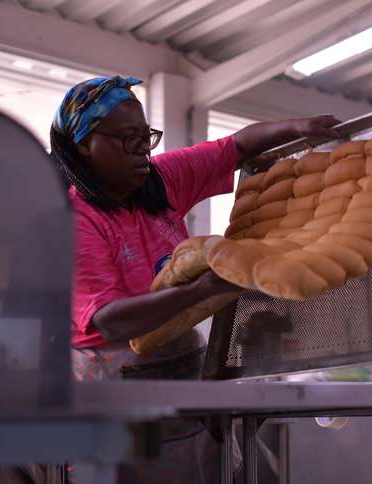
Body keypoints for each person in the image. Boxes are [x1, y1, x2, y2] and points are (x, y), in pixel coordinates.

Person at [51, 75, 341, 482]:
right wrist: (203, 289)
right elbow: (110, 320)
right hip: (114, 392)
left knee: (210, 470)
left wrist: (297, 127)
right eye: (128, 140)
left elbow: (237, 147)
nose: (143, 151)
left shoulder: (157, 181)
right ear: (83, 145)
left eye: (146, 137)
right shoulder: (75, 220)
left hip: (184, 369)